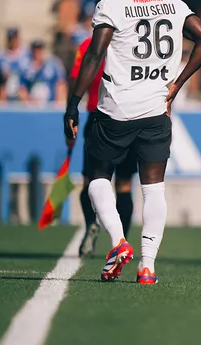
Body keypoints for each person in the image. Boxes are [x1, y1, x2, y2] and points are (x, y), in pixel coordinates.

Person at [63, 0, 201, 285]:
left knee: (98, 178)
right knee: (154, 189)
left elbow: (95, 54)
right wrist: (176, 84)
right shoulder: (173, 4)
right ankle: (148, 266)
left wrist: (72, 104)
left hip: (115, 111)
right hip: (155, 112)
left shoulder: (111, 4)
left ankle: (118, 242)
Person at [71, 34, 138, 257]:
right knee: (124, 185)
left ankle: (92, 224)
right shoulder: (131, 39)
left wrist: (70, 114)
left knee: (92, 181)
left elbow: (76, 81)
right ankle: (122, 240)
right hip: (130, 117)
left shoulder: (87, 45)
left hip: (98, 116)